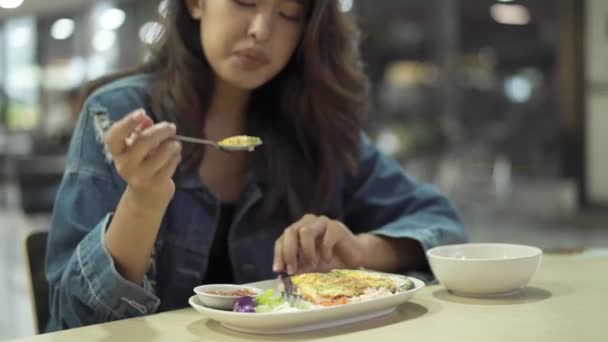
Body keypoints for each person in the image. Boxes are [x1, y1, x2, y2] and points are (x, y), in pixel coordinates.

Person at [45, 0, 467, 331]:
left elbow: (442, 225)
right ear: (195, 3)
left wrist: (359, 251)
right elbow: (76, 321)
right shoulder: (119, 114)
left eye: (288, 14)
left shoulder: (314, 128)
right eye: (245, 1)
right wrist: (143, 198)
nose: (261, 31)